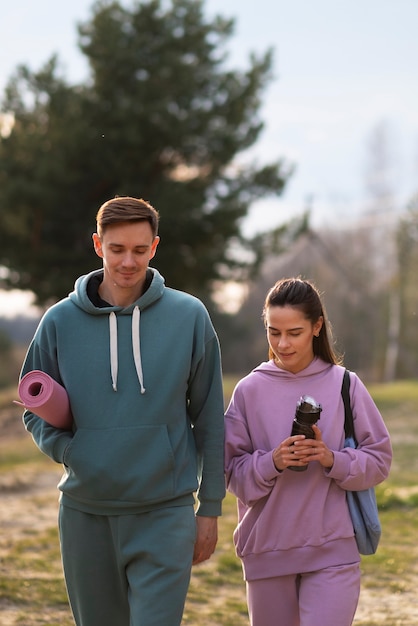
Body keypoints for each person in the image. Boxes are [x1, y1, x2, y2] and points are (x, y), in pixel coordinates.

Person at [20, 196, 225, 626]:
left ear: (155, 247)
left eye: (139, 249)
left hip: (164, 512)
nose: (128, 261)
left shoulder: (189, 317)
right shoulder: (59, 322)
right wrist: (71, 452)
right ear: (98, 245)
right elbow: (33, 408)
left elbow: (208, 419)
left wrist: (209, 507)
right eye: (117, 249)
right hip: (85, 515)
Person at [224, 277, 392, 626]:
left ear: (317, 327)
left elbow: (379, 461)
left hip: (333, 552)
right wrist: (273, 462)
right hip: (267, 552)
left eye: (294, 332)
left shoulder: (346, 385)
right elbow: (232, 475)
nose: (282, 343)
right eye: (274, 332)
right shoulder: (248, 391)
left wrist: (332, 459)